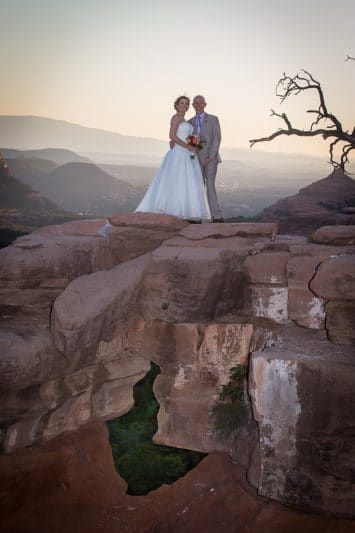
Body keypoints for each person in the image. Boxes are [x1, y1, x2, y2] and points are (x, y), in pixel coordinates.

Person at [134, 96, 211, 222]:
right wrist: (188, 147)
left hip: (187, 154)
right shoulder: (176, 118)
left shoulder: (185, 120)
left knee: (186, 182)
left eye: (186, 104)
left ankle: (185, 213)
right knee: (176, 181)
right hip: (178, 155)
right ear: (176, 105)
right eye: (182, 103)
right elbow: (172, 135)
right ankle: (174, 212)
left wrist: (195, 145)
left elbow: (183, 137)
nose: (184, 106)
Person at [189, 95, 224, 222]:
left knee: (209, 185)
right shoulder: (190, 122)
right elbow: (192, 142)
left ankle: (217, 216)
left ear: (205, 104)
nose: (198, 105)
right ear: (193, 105)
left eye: (200, 103)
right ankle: (197, 216)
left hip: (211, 158)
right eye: (196, 103)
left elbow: (217, 138)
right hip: (196, 159)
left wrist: (210, 156)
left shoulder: (214, 119)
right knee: (198, 186)